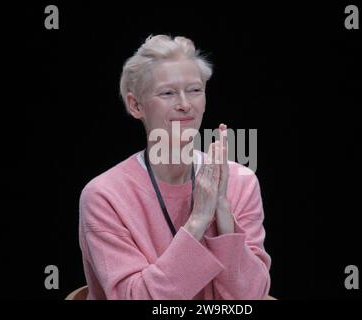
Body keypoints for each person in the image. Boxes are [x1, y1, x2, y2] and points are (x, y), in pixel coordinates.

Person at [78, 34, 271, 299]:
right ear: (136, 105)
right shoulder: (104, 195)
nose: (184, 104)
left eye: (194, 90)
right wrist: (199, 219)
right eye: (168, 93)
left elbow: (251, 297)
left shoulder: (240, 181)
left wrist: (224, 216)